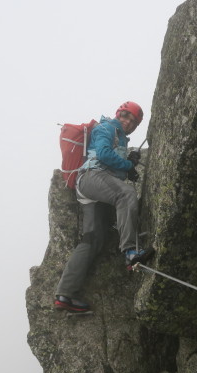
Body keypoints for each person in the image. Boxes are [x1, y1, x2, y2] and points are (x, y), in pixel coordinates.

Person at [54, 101, 154, 313]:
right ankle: (129, 251)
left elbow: (111, 162)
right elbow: (103, 154)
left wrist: (128, 164)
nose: (128, 121)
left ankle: (65, 294)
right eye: (125, 116)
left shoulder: (119, 137)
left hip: (91, 190)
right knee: (126, 194)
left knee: (93, 239)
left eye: (133, 121)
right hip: (91, 177)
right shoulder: (107, 127)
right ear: (118, 114)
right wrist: (128, 165)